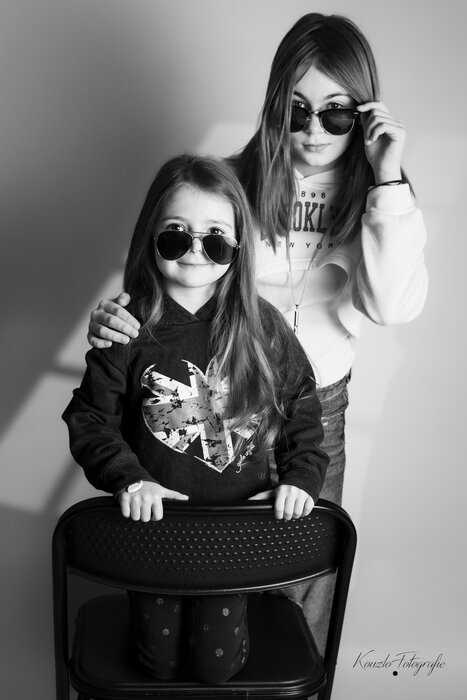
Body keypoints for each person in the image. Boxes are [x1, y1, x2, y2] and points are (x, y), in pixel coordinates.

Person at [84, 13, 428, 652]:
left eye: (336, 112)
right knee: (194, 571)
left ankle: (289, 687)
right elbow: (169, 272)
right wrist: (116, 321)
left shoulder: (382, 198)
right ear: (275, 106)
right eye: (297, 110)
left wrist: (387, 178)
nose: (314, 129)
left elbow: (391, 306)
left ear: (363, 113)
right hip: (216, 393)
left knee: (302, 574)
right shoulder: (230, 182)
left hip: (312, 407)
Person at [63, 154, 328, 684]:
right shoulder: (126, 328)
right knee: (156, 664)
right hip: (155, 533)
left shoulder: (262, 327)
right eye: (176, 235)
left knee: (216, 667)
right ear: (150, 236)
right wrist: (128, 477)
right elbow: (90, 418)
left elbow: (302, 406)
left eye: (215, 238)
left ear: (238, 246)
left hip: (235, 535)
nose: (195, 251)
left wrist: (301, 478)